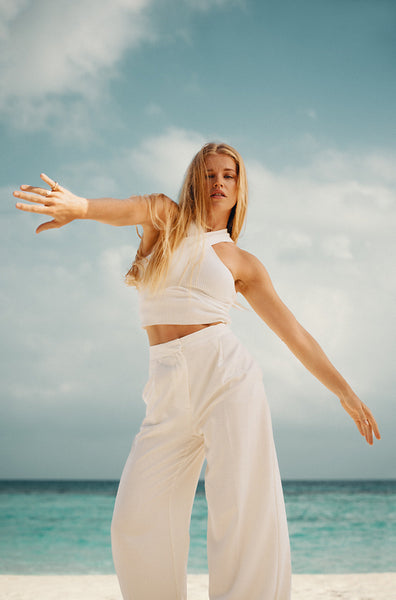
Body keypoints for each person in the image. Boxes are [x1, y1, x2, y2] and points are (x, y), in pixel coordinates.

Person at [14, 142, 380, 600]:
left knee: (240, 513)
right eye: (209, 174)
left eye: (229, 175)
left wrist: (344, 391)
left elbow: (295, 334)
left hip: (226, 377)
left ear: (239, 187)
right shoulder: (165, 218)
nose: (219, 183)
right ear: (194, 181)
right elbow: (122, 209)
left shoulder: (241, 261)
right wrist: (80, 207)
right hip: (165, 388)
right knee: (136, 520)